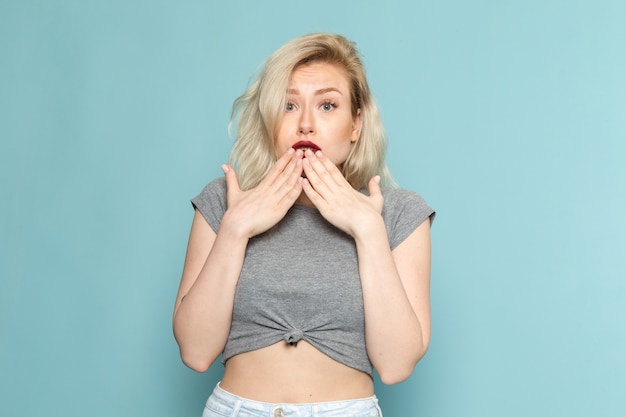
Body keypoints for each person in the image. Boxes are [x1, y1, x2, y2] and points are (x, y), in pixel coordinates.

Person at [173, 33, 435, 417]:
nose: (306, 124)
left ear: (355, 124)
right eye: (288, 105)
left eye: (328, 105)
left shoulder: (398, 212)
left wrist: (368, 230)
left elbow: (396, 366)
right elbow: (195, 353)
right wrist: (236, 228)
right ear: (270, 120)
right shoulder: (224, 201)